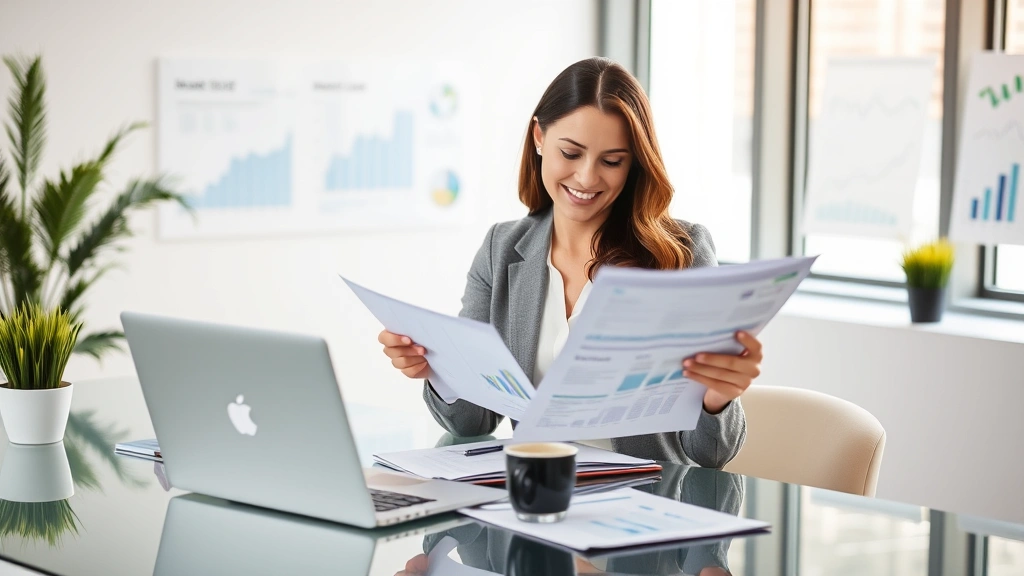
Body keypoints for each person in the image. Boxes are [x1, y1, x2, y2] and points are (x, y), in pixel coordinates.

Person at [378, 57, 761, 467]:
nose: (586, 178)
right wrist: (438, 370)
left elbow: (712, 455)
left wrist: (718, 398)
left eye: (612, 161)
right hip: (537, 497)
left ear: (634, 162)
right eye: (571, 153)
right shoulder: (502, 248)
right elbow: (471, 422)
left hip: (644, 503)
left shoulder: (681, 254)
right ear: (539, 137)